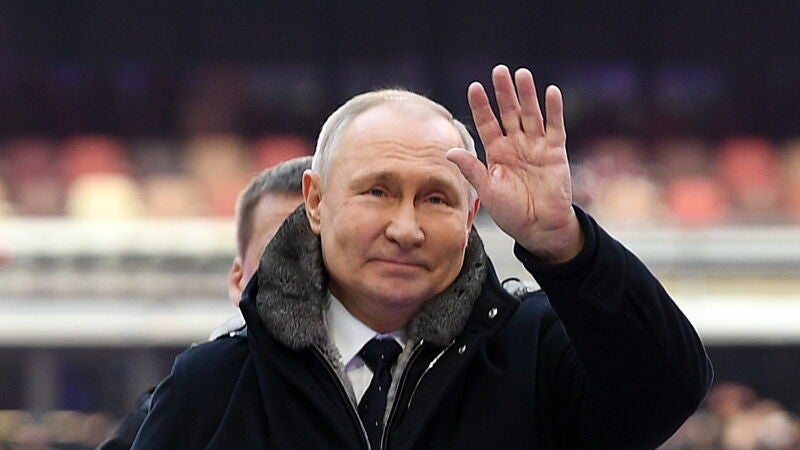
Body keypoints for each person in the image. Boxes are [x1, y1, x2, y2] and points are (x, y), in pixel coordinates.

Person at [132, 65, 713, 449]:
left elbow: (668, 391)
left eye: (436, 199)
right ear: (315, 201)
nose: (406, 229)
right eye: (377, 191)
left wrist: (564, 243)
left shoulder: (537, 353)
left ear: (471, 213)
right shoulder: (212, 387)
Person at [97, 156, 310, 450]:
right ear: (238, 280)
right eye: (276, 253)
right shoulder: (173, 407)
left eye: (317, 251)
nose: (299, 273)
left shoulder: (374, 397)